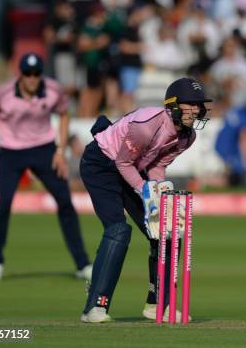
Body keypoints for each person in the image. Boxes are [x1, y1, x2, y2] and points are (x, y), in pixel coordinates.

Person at [79, 77, 212, 323]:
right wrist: (144, 190)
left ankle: (158, 305)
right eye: (190, 104)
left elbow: (157, 165)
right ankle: (94, 307)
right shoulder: (148, 124)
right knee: (118, 230)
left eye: (199, 105)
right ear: (173, 105)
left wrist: (158, 191)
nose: (197, 109)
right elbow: (122, 162)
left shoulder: (186, 137)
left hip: (133, 168)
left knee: (167, 231)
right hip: (101, 163)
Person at [0, 53, 91, 281]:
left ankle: (82, 264)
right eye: (27, 74)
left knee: (65, 202)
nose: (31, 78)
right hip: (11, 151)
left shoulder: (53, 89)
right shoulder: (4, 92)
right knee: (4, 203)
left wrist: (60, 151)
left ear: (41, 74)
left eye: (36, 73)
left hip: (44, 149)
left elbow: (64, 113)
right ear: (20, 74)